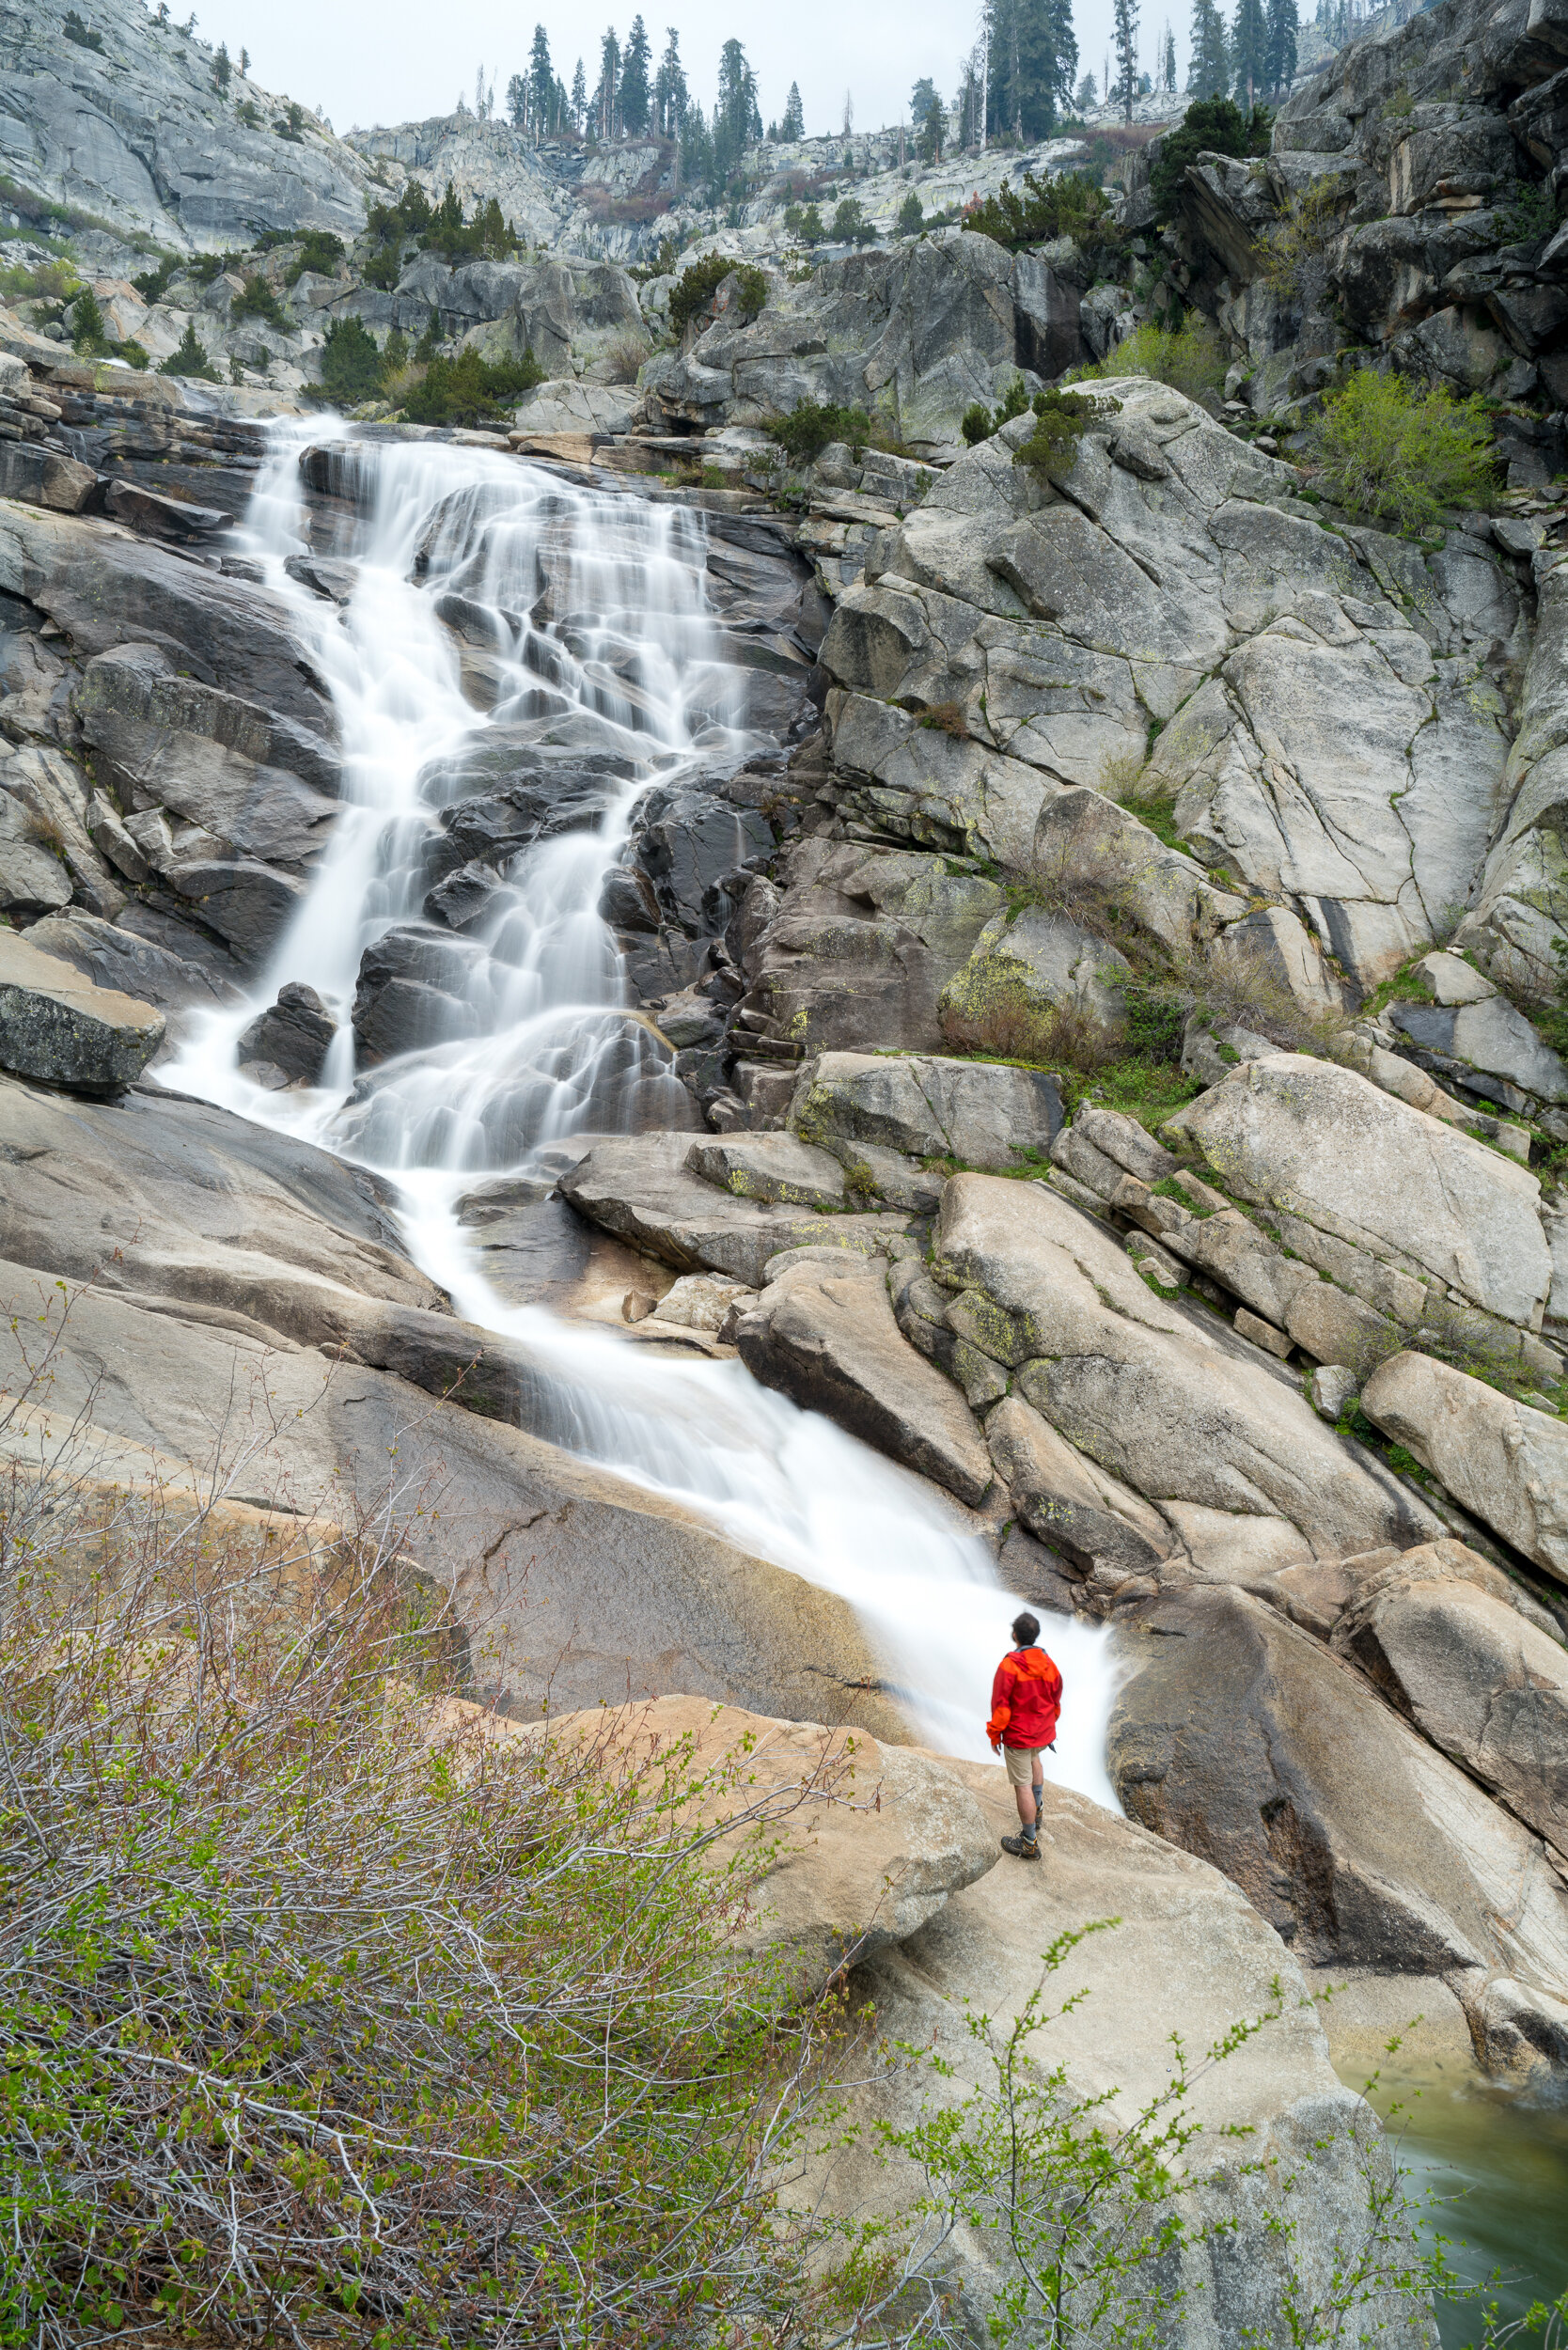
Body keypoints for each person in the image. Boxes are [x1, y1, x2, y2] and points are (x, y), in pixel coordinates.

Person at [986, 1610, 1062, 1860]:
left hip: (1019, 1734)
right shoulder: (1049, 1663)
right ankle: (1037, 1812)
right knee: (1035, 1761)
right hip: (1041, 1732)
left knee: (1022, 1786)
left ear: (1014, 1635)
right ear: (1036, 1635)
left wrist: (994, 1734)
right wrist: (1049, 1723)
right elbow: (1056, 1698)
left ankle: (1029, 1842)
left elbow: (1001, 1705)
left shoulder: (1009, 1665)